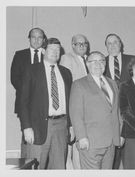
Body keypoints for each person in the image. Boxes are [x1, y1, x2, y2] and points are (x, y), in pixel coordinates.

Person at [19, 38, 73, 169]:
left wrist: (70, 125)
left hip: (62, 125)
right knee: (36, 167)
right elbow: (23, 101)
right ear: (43, 50)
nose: (55, 52)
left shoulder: (66, 73)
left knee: (59, 166)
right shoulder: (31, 70)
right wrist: (26, 127)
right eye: (51, 49)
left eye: (58, 49)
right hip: (38, 127)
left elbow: (70, 101)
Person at [69, 51, 122, 169]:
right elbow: (76, 114)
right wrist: (81, 137)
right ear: (87, 64)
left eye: (102, 61)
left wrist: (120, 134)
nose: (98, 64)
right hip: (90, 142)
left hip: (111, 142)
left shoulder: (112, 83)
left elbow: (116, 111)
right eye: (94, 61)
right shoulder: (79, 84)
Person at [10, 27, 47, 158]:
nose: (36, 40)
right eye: (33, 37)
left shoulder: (47, 55)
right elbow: (14, 78)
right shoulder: (20, 55)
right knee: (27, 134)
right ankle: (26, 163)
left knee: (43, 135)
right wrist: (29, 93)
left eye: (39, 37)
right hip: (25, 102)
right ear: (29, 39)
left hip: (44, 104)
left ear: (43, 40)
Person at [104, 33, 134, 169]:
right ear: (106, 47)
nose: (113, 46)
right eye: (109, 43)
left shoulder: (132, 60)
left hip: (131, 113)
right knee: (113, 155)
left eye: (115, 42)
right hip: (110, 114)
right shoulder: (100, 63)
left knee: (131, 154)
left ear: (120, 44)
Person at [60, 34, 90, 169]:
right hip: (74, 108)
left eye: (84, 43)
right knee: (70, 150)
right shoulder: (67, 58)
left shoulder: (89, 60)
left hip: (88, 110)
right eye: (79, 44)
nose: (82, 46)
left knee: (82, 146)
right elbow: (65, 85)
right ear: (72, 45)